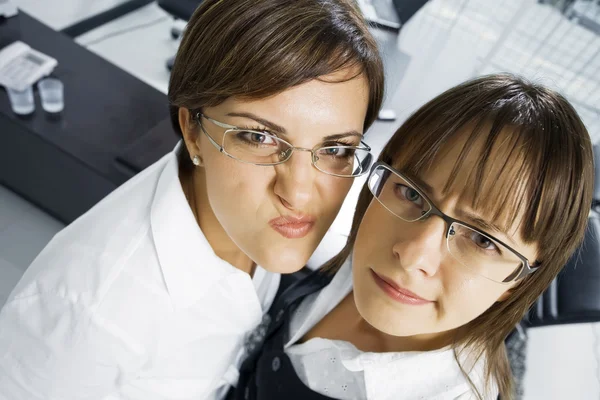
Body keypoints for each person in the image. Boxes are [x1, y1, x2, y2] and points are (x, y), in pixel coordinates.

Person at [0, 1, 384, 399]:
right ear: (193, 129)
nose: (301, 193)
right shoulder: (90, 318)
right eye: (258, 137)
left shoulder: (259, 217)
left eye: (335, 148)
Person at [227, 74, 594, 400]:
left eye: (483, 240)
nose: (412, 254)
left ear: (520, 281)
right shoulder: (339, 274)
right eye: (412, 194)